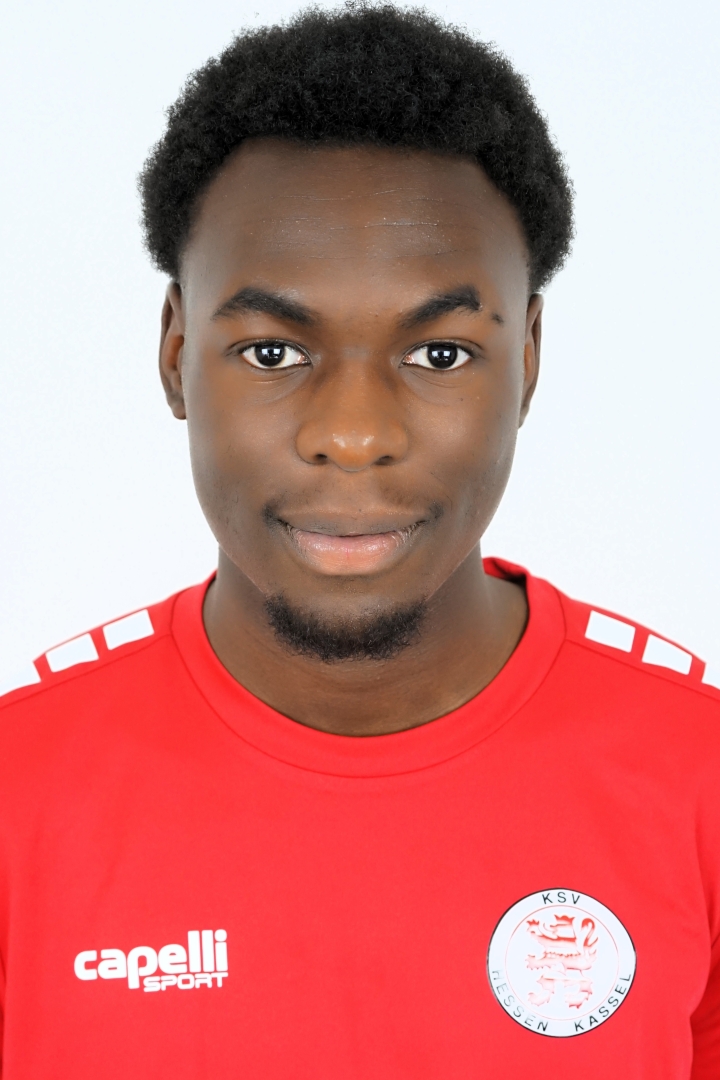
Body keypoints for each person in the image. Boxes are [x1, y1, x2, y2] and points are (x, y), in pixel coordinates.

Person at [0, 5, 718, 1077]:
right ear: (175, 352)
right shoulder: (20, 789)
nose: (352, 434)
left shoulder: (699, 775)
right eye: (273, 351)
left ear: (527, 361)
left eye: (439, 354)